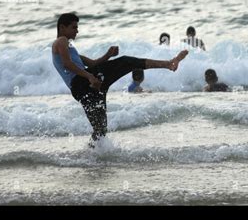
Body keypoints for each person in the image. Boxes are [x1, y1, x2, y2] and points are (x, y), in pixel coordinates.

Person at [52, 13, 188, 145]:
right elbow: (67, 64)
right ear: (62, 27)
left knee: (100, 129)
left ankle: (90, 157)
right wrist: (89, 76)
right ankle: (168, 64)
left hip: (81, 90)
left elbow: (93, 64)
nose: (77, 31)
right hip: (82, 82)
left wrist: (108, 54)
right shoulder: (61, 41)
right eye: (74, 27)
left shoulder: (71, 49)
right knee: (126, 62)